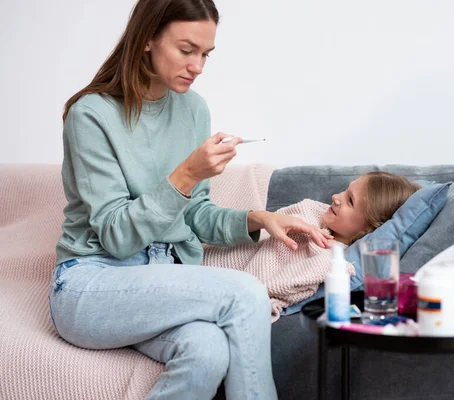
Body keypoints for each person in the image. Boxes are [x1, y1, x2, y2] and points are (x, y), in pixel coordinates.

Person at [48, 1, 332, 399]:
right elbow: (115, 236)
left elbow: (194, 214)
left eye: (205, 55)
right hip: (91, 283)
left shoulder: (193, 109)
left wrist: (259, 218)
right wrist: (187, 173)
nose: (197, 66)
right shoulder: (91, 115)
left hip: (162, 278)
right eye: (186, 50)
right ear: (147, 38)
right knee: (245, 292)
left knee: (208, 350)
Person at [202, 172, 421, 320]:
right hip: (203, 259)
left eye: (350, 201)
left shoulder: (330, 262)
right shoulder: (310, 211)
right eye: (345, 191)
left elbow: (278, 287)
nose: (336, 197)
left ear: (370, 228)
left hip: (219, 286)